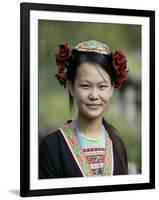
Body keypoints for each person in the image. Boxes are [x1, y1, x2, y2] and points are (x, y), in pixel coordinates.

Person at [39, 40, 128, 178]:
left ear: (112, 88)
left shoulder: (117, 144)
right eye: (85, 86)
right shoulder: (51, 146)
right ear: (71, 87)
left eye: (102, 86)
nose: (94, 95)